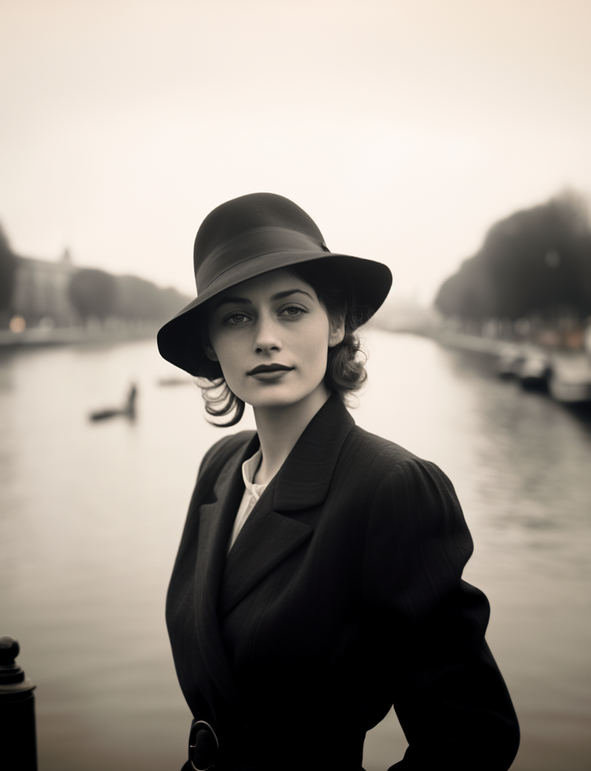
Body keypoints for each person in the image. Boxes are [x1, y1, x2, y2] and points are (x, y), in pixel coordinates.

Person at [157, 193, 518, 771]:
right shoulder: (220, 470)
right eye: (237, 316)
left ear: (338, 323)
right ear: (210, 344)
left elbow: (473, 736)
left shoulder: (390, 488)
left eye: (292, 309)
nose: (265, 337)